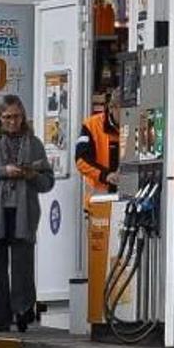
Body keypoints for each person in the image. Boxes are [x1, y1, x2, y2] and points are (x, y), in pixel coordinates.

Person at [0, 95, 54, 332]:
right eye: (7, 117)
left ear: (23, 116)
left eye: (16, 116)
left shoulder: (33, 142)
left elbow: (48, 182)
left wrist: (31, 175)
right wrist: (3, 171)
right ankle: (2, 318)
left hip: (23, 212)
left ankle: (23, 311)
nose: (12, 122)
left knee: (22, 265)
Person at [75, 90, 121, 325]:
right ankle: (99, 314)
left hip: (125, 204)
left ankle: (119, 310)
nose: (122, 115)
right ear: (110, 107)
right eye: (119, 109)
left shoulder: (137, 124)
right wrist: (106, 176)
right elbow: (81, 160)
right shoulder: (91, 125)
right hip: (99, 205)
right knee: (100, 262)